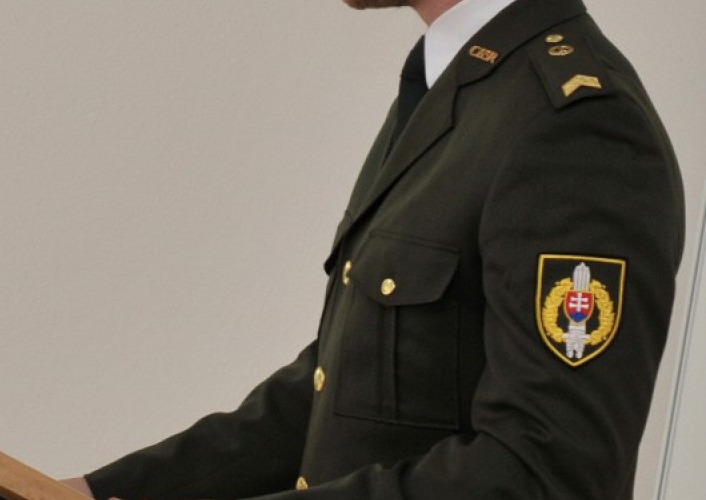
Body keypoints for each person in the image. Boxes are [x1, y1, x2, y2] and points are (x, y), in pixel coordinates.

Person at [62, 0, 685, 498]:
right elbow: (345, 392)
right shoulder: (457, 86)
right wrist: (103, 492)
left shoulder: (573, 122)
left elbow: (545, 474)